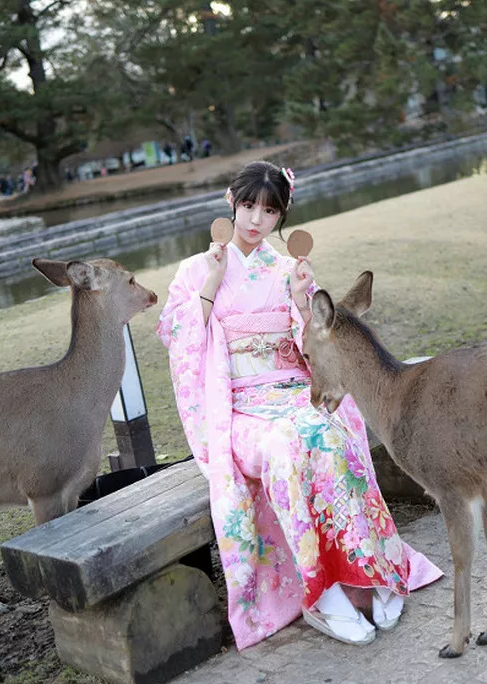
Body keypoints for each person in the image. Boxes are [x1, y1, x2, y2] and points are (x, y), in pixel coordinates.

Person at [157, 161, 442, 649]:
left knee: (330, 436)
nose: (254, 220)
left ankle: (365, 571)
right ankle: (321, 590)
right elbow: (176, 340)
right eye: (247, 206)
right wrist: (211, 284)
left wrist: (298, 301)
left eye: (268, 211)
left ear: (280, 216)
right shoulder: (196, 269)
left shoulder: (288, 270)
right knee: (287, 447)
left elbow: (316, 345)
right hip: (240, 407)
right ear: (231, 201)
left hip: (290, 388)